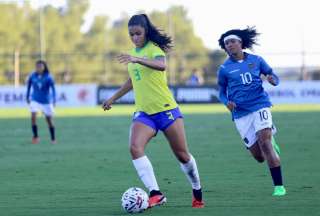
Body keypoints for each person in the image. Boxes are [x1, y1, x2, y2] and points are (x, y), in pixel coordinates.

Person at [102, 14, 204, 208]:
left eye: (138, 33)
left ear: (145, 32)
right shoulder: (133, 55)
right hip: (144, 113)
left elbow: (161, 65)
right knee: (134, 147)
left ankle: (197, 188)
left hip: (166, 110)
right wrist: (113, 98)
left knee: (182, 155)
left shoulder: (153, 49)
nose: (134, 38)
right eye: (131, 34)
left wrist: (137, 59)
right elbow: (133, 80)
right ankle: (156, 193)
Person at [217, 27, 286, 196]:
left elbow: (273, 76)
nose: (230, 45)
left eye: (232, 41)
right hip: (241, 114)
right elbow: (220, 91)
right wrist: (227, 102)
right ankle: (270, 138)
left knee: (265, 143)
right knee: (259, 157)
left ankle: (279, 186)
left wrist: (272, 80)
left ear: (241, 43)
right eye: (226, 43)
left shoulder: (257, 60)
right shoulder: (224, 69)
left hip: (260, 105)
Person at [26, 60, 56, 144]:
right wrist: (27, 96)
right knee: (33, 116)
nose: (38, 68)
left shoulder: (48, 77)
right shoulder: (32, 75)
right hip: (35, 99)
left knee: (49, 120)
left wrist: (54, 100)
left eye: (40, 66)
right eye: (37, 66)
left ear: (44, 67)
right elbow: (29, 86)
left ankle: (53, 138)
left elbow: (53, 89)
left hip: (46, 101)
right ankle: (35, 137)